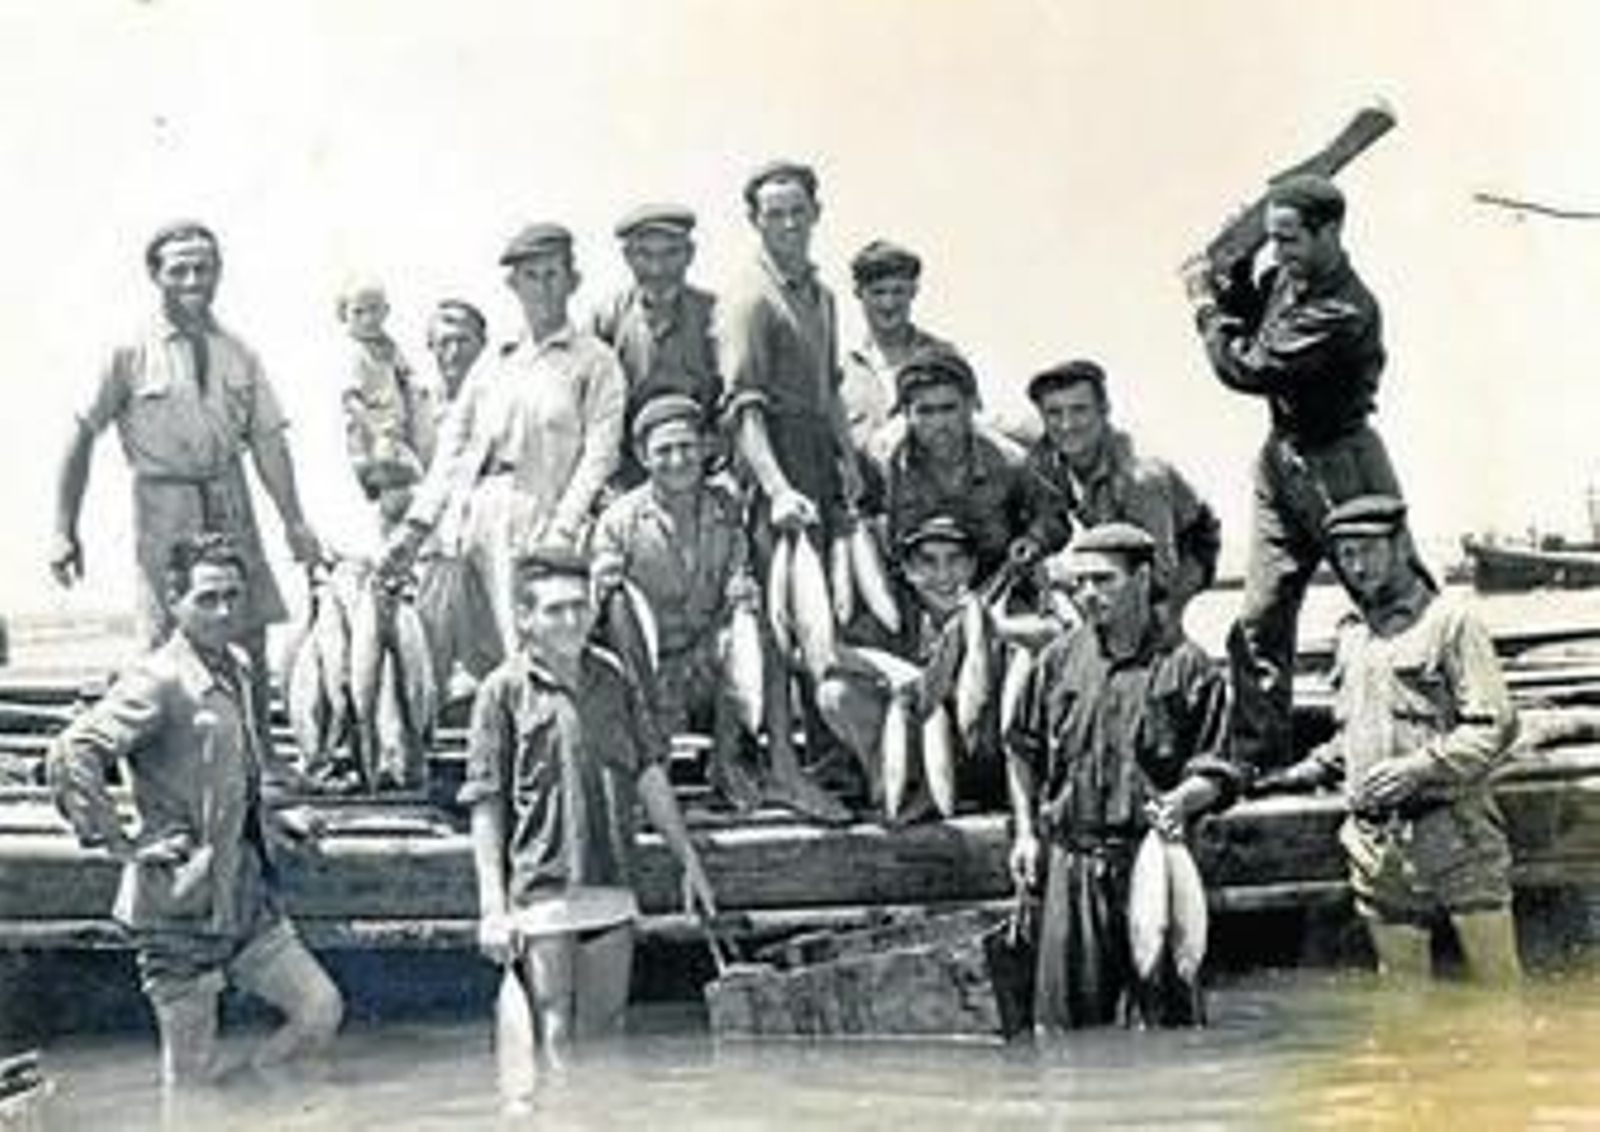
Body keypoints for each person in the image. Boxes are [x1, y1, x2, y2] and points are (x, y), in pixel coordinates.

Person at [47, 533, 343, 1088]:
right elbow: (73, 751)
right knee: (189, 1081)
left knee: (319, 1010)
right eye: (207, 598)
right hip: (179, 913)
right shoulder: (157, 681)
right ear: (174, 599)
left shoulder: (235, 666)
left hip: (246, 899)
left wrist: (274, 818)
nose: (224, 611)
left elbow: (229, 772)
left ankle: (259, 1101)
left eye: (233, 596)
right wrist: (118, 841)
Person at [51, 221, 323, 759]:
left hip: (229, 494)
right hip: (163, 502)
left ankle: (255, 760)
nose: (194, 279)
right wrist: (64, 528)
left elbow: (269, 442)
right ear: (156, 276)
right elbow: (81, 433)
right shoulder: (127, 349)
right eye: (180, 269)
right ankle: (166, 765)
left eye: (205, 268)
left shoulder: (238, 351)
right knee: (166, 635)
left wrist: (295, 521)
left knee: (245, 630)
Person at [462, 545, 718, 1095]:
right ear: (525, 620)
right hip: (543, 889)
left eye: (579, 606)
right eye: (554, 610)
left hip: (612, 882)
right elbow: (485, 803)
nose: (572, 619)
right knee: (553, 1031)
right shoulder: (500, 692)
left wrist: (687, 859)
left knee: (608, 1031)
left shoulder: (615, 677)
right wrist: (492, 909)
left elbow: (650, 773)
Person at [1182, 173, 1403, 772]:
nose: (1278, 253)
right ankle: (1258, 759)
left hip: (1343, 466)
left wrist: (1203, 305)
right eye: (1271, 239)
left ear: (1329, 232)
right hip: (1283, 459)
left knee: (1393, 606)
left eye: (1288, 240)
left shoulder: (1343, 308)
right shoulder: (1287, 279)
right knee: (1259, 620)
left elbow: (1248, 366)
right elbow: (1248, 314)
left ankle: (1423, 734)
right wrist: (1228, 269)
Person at [1254, 496, 1521, 985]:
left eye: (1368, 550)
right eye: (1346, 555)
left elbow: (1496, 726)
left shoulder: (1450, 623)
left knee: (1498, 991)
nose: (1356, 566)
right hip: (1375, 845)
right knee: (1402, 999)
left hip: (1453, 833)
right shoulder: (1353, 634)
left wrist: (1417, 767)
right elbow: (1349, 735)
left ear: (1400, 545)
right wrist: (1300, 773)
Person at [1005, 523, 1241, 1033]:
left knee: (1169, 1026)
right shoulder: (1057, 661)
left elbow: (1219, 771)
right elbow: (1020, 749)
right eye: (1079, 583)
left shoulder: (1191, 667)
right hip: (1073, 864)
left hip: (1154, 861)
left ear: (1143, 577)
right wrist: (1025, 834)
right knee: (1064, 1030)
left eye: (1104, 580)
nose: (1088, 595)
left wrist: (1183, 799)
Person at [383, 223, 626, 657]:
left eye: (553, 274)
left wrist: (563, 530)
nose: (543, 288)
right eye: (531, 276)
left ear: (573, 281)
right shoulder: (496, 360)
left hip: (546, 515)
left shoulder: (595, 362)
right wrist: (417, 526)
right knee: (473, 655)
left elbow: (599, 457)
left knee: (538, 647)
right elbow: (452, 453)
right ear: (513, 284)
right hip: (477, 517)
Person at [713, 159, 862, 824]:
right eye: (774, 213)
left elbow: (829, 388)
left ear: (816, 214)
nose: (788, 223)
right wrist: (774, 488)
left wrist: (849, 460)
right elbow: (741, 407)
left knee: (822, 621)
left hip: (819, 465)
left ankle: (826, 757)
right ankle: (778, 770)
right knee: (773, 630)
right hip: (770, 465)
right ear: (756, 221)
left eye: (798, 210)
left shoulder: (823, 295)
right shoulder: (748, 296)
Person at [591, 394, 773, 812]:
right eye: (664, 450)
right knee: (617, 606)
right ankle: (645, 771)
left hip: (706, 663)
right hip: (646, 669)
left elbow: (737, 572)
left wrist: (742, 592)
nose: (677, 460)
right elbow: (600, 609)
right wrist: (602, 583)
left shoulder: (727, 508)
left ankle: (731, 764)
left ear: (704, 447)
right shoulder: (619, 519)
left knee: (751, 627)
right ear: (642, 455)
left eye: (687, 447)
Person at [817, 515, 1007, 821]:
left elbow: (1047, 632)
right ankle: (898, 786)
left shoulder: (990, 608)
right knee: (835, 693)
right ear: (907, 570)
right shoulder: (894, 612)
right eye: (928, 562)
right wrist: (890, 668)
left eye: (955, 560)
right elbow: (824, 652)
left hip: (979, 755)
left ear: (972, 566)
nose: (942, 575)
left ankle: (946, 791)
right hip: (915, 747)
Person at [1021, 359, 1220, 634]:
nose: (1066, 425)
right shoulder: (1048, 454)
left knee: (1153, 628)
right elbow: (1054, 518)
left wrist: (1076, 578)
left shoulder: (1140, 477)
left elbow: (1161, 573)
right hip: (1113, 542)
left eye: (1079, 410)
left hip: (1184, 547)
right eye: (1054, 413)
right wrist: (1035, 542)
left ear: (1104, 411)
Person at [877, 345, 1064, 587]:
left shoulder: (1009, 461)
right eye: (925, 411)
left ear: (970, 404)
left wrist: (1033, 541)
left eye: (948, 408)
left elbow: (1053, 515)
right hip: (911, 590)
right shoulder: (882, 462)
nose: (939, 423)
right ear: (906, 413)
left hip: (992, 586)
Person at [593, 204, 723, 494]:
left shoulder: (715, 315)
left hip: (701, 466)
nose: (658, 269)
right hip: (629, 473)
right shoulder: (607, 318)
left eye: (670, 254)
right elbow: (594, 406)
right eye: (645, 255)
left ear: (690, 254)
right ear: (627, 257)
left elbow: (732, 395)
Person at [410, 299, 503, 695]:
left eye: (464, 341)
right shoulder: (416, 402)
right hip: (425, 538)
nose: (454, 352)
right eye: (444, 342)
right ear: (430, 347)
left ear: (483, 345)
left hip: (484, 531)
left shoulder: (501, 397)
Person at [840, 239, 950, 456]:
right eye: (878, 292)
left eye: (898, 291)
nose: (888, 304)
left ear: (914, 292)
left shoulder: (943, 357)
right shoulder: (838, 367)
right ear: (859, 293)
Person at [336, 279, 430, 534]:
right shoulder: (354, 353)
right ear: (343, 314)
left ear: (386, 311)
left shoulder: (388, 346)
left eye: (374, 310)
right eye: (359, 312)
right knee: (399, 490)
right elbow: (351, 399)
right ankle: (388, 539)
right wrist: (375, 432)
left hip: (395, 430)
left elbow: (407, 376)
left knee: (411, 487)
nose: (368, 319)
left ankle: (395, 538)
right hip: (373, 434)